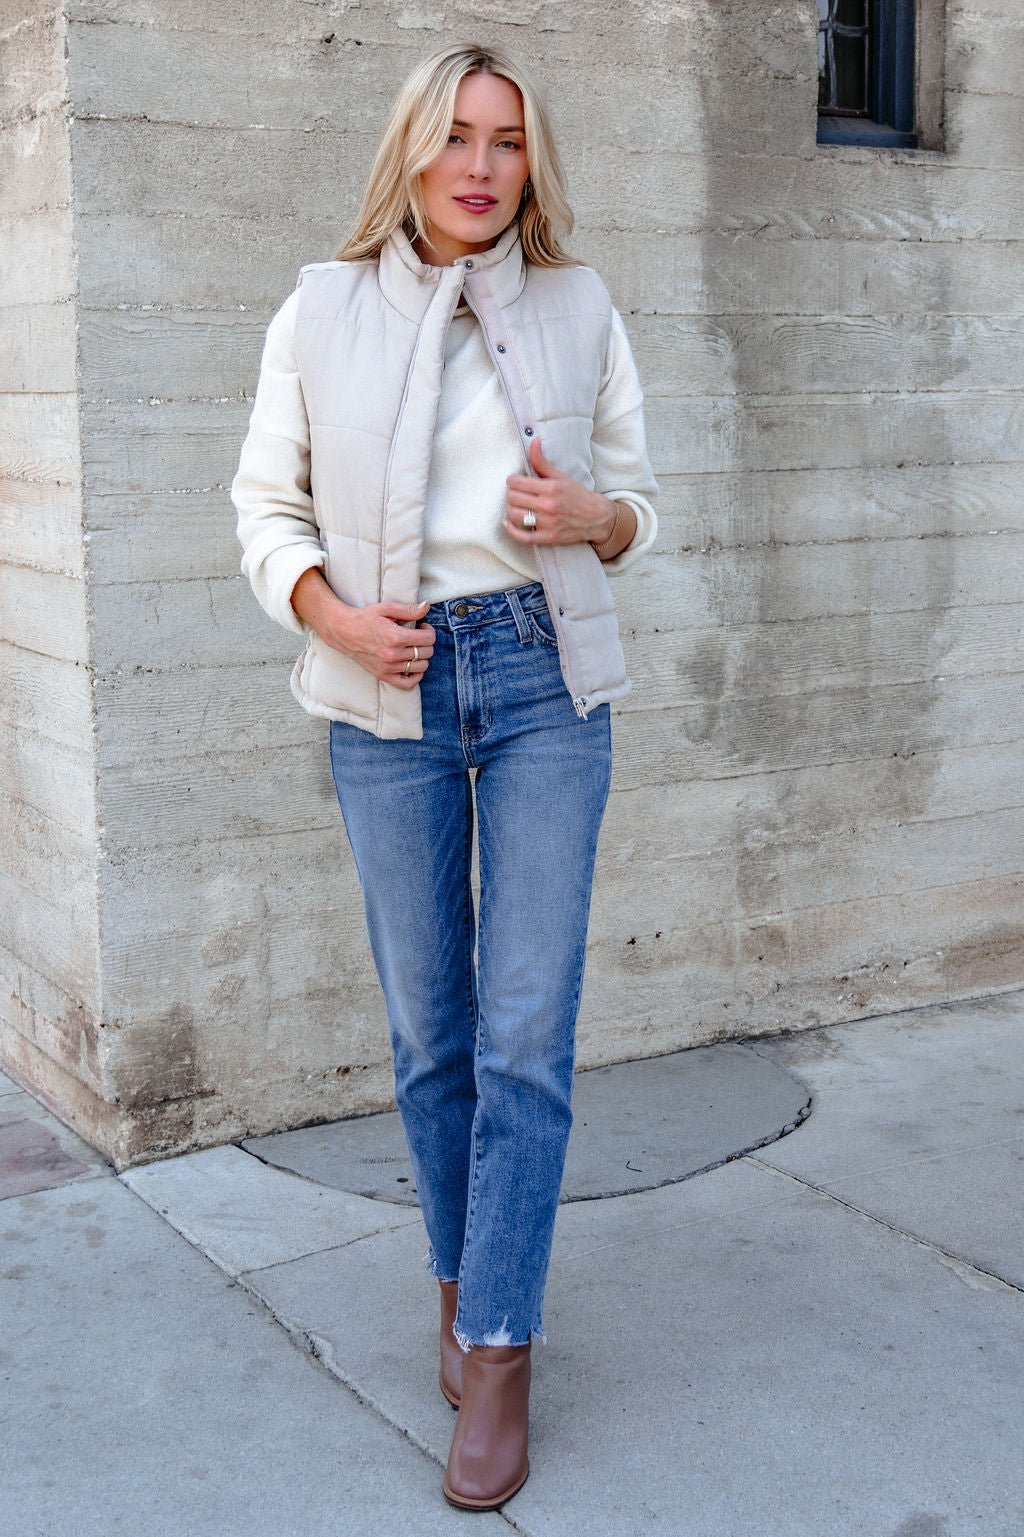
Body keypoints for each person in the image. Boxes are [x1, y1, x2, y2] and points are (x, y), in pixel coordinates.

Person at [232, 41, 658, 1511]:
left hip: (546, 677)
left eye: (509, 143)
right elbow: (262, 504)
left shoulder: (581, 304)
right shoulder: (321, 305)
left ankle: (499, 1344)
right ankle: (457, 1272)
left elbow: (638, 508)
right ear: (410, 149)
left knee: (527, 1032)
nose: (482, 168)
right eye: (457, 137)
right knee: (432, 1037)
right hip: (385, 692)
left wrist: (596, 514)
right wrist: (336, 615)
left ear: (534, 163)